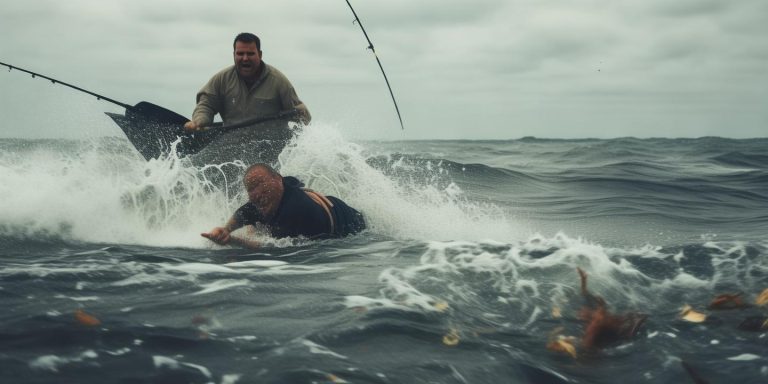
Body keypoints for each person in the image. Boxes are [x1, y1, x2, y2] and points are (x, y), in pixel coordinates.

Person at [202, 163, 366, 248]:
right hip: (327, 203)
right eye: (251, 189)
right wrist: (225, 229)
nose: (257, 193)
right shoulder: (267, 197)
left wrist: (232, 240)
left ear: (278, 179)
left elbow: (269, 246)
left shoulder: (295, 209)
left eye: (260, 184)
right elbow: (244, 212)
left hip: (351, 223)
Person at [184, 32, 311, 132]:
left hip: (269, 149)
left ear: (260, 55)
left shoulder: (278, 81)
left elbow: (302, 116)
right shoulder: (222, 79)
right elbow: (206, 105)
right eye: (240, 53)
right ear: (234, 54)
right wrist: (198, 122)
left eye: (250, 54)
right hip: (230, 146)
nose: (245, 58)